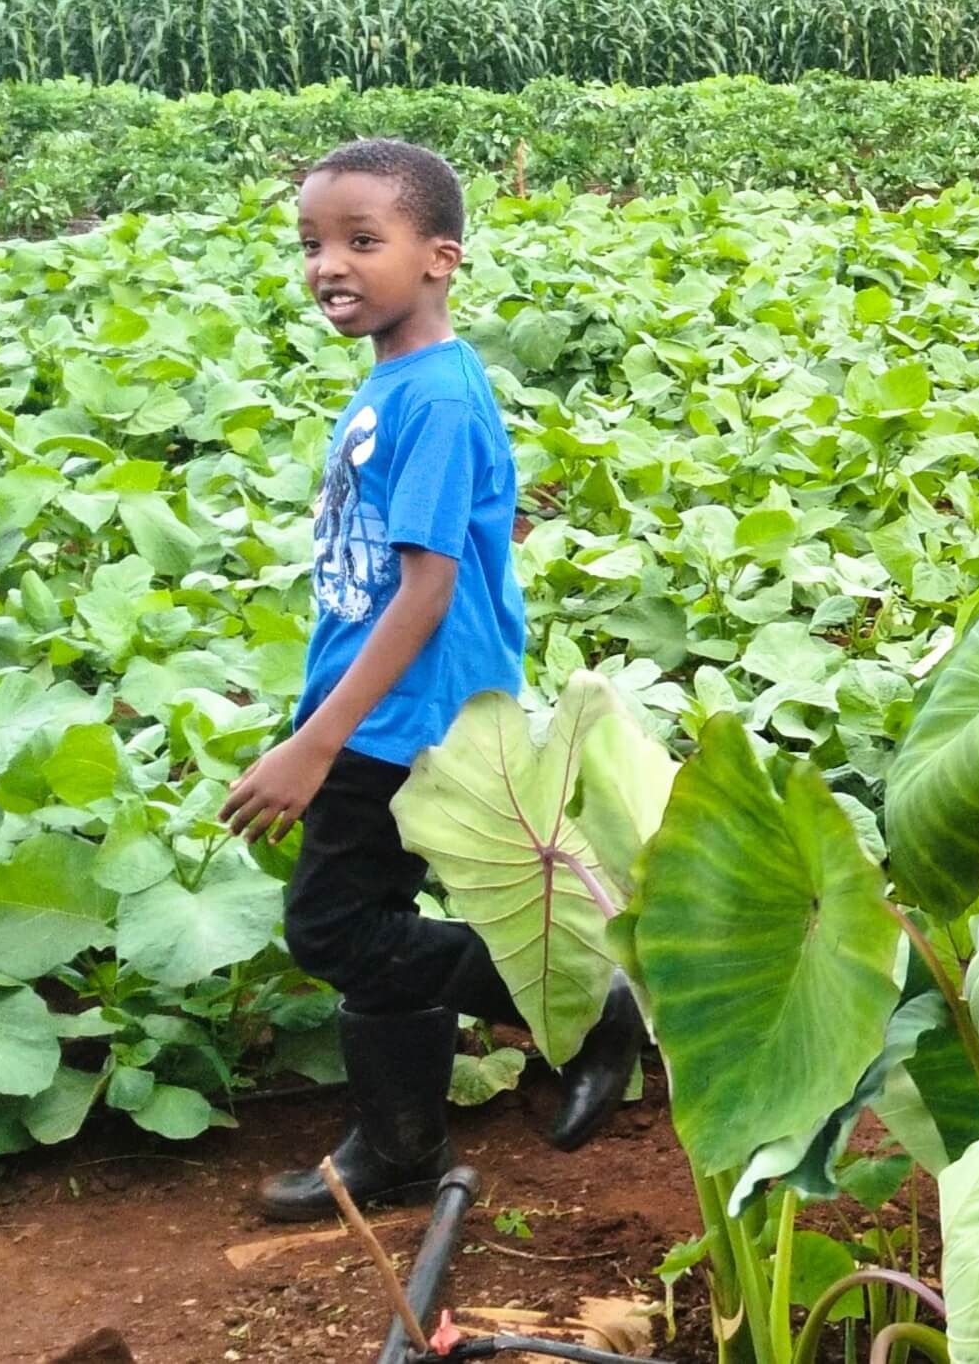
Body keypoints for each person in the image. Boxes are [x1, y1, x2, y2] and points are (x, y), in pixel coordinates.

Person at [217, 139, 644, 1223]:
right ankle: (400, 1144)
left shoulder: (438, 399)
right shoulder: (395, 383)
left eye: (363, 240)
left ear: (439, 257)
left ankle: (590, 1007)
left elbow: (425, 590)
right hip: (376, 701)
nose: (330, 264)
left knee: (333, 928)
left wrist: (318, 742)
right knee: (371, 925)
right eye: (313, 242)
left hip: (406, 714)